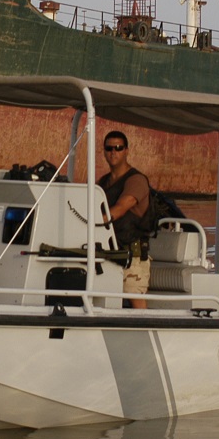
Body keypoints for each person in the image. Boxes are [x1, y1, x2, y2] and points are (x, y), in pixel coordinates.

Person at [97, 130, 151, 308]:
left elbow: (120, 209)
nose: (114, 152)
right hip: (109, 254)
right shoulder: (102, 183)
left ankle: (146, 332)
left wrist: (95, 221)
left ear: (126, 151)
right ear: (104, 151)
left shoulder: (136, 180)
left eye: (118, 148)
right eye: (109, 148)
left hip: (132, 257)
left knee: (135, 300)